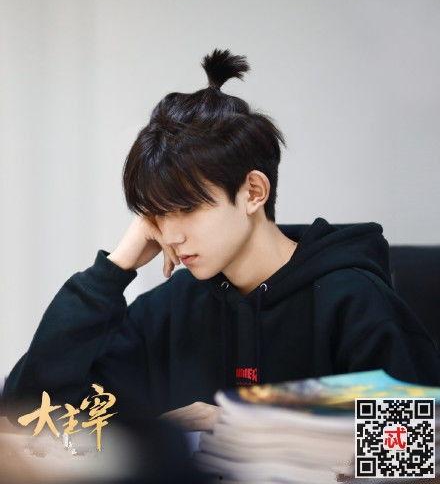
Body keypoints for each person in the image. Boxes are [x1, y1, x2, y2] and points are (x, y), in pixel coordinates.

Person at [3, 49, 440, 432]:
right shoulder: (173, 308)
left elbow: (413, 457)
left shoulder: (352, 299)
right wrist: (113, 271)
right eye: (157, 214)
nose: (170, 234)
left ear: (253, 192)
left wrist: (245, 422)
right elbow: (29, 413)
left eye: (187, 208)